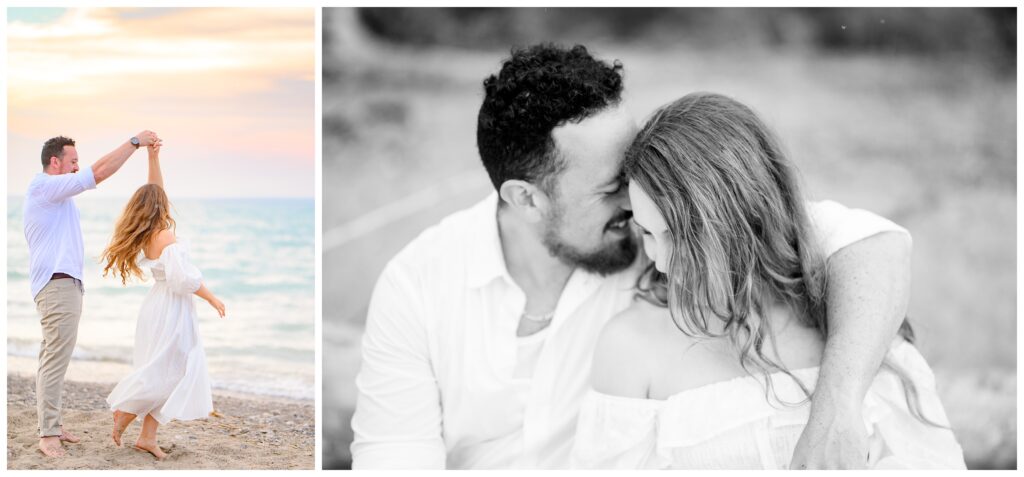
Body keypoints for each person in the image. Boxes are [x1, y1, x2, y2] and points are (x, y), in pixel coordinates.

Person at [350, 44, 916, 469]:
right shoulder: (419, 285)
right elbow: (394, 455)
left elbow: (875, 247)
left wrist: (836, 406)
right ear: (526, 198)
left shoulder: (668, 236)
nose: (639, 199)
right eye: (611, 187)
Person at [571, 92, 966, 469]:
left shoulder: (848, 316)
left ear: (738, 224)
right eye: (646, 232)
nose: (657, 261)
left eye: (676, 236)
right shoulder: (631, 346)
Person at [24, 131, 159, 457]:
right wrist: (135, 143)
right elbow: (98, 172)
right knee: (55, 360)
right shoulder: (43, 187)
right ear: (54, 162)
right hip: (56, 285)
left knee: (51, 359)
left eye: (78, 162)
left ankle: (52, 424)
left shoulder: (57, 197)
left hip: (60, 285)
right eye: (72, 162)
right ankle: (47, 434)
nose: (77, 168)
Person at [101, 142, 227, 460]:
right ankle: (126, 414)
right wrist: (212, 297)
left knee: (166, 368)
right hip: (171, 308)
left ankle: (147, 436)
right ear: (160, 205)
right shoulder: (165, 236)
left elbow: (156, 189)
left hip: (157, 307)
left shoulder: (148, 234)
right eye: (164, 198)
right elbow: (182, 280)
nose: (167, 199)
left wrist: (153, 156)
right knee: (171, 371)